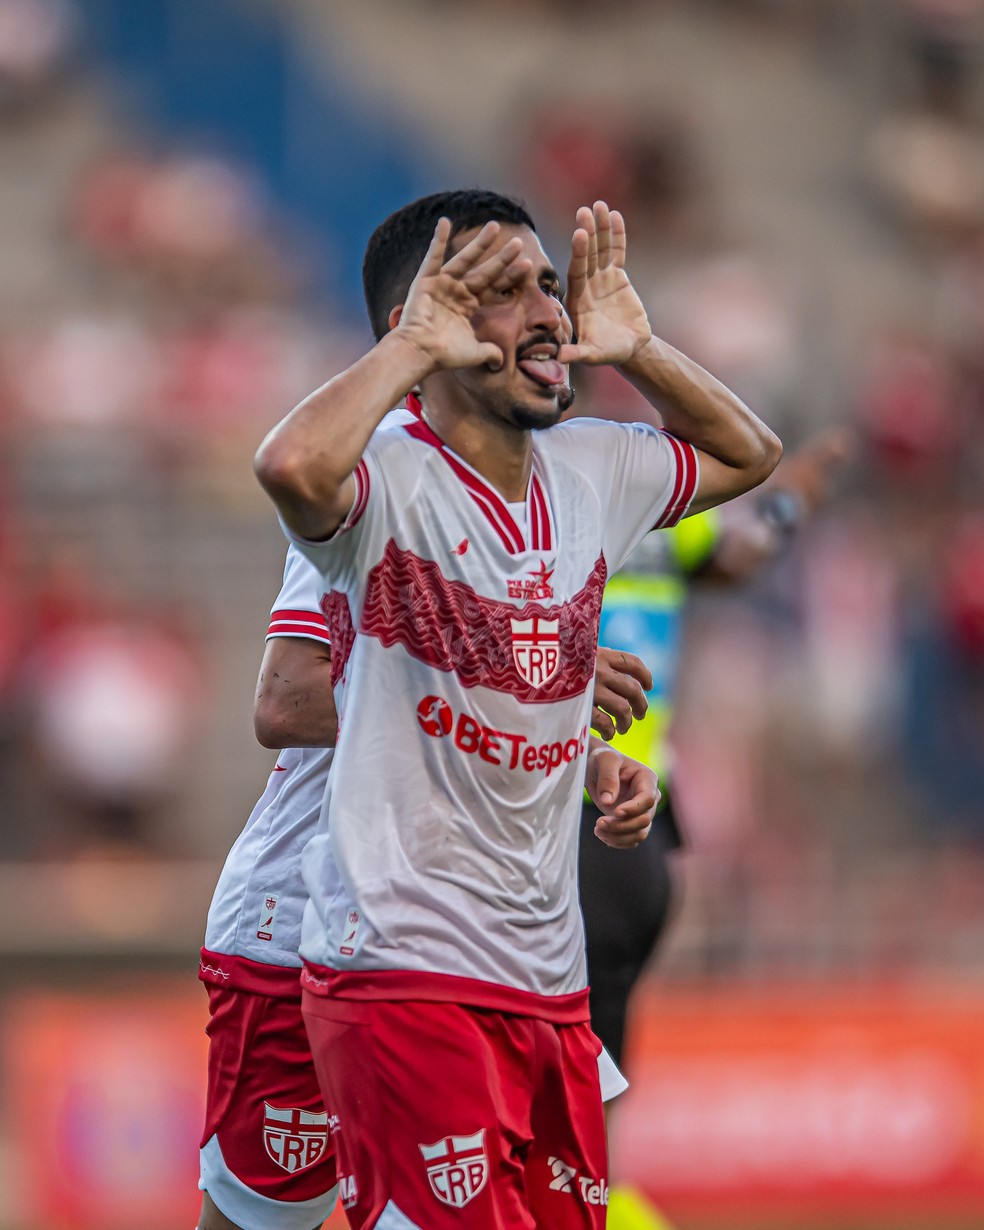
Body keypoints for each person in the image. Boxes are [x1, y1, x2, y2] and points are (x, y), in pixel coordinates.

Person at [252, 188, 780, 1229]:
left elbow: (749, 454)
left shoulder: (594, 472)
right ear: (433, 321)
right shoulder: (383, 485)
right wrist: (410, 351)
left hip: (546, 973)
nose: (551, 311)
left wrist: (638, 347)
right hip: (402, 963)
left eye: (552, 286)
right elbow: (290, 469)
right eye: (509, 292)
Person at [197, 534, 661, 1230]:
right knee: (261, 1221)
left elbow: (487, 721)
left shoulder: (559, 501)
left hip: (499, 941)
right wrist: (530, 686)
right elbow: (287, 701)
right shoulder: (372, 486)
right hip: (319, 928)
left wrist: (582, 754)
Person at [581, 432, 851, 1230]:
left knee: (567, 1065)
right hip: (636, 819)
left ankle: (587, 1203)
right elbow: (739, 557)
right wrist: (784, 507)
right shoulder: (652, 505)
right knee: (596, 1062)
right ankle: (600, 1200)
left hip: (582, 814)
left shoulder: (550, 509)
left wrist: (788, 503)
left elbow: (732, 557)